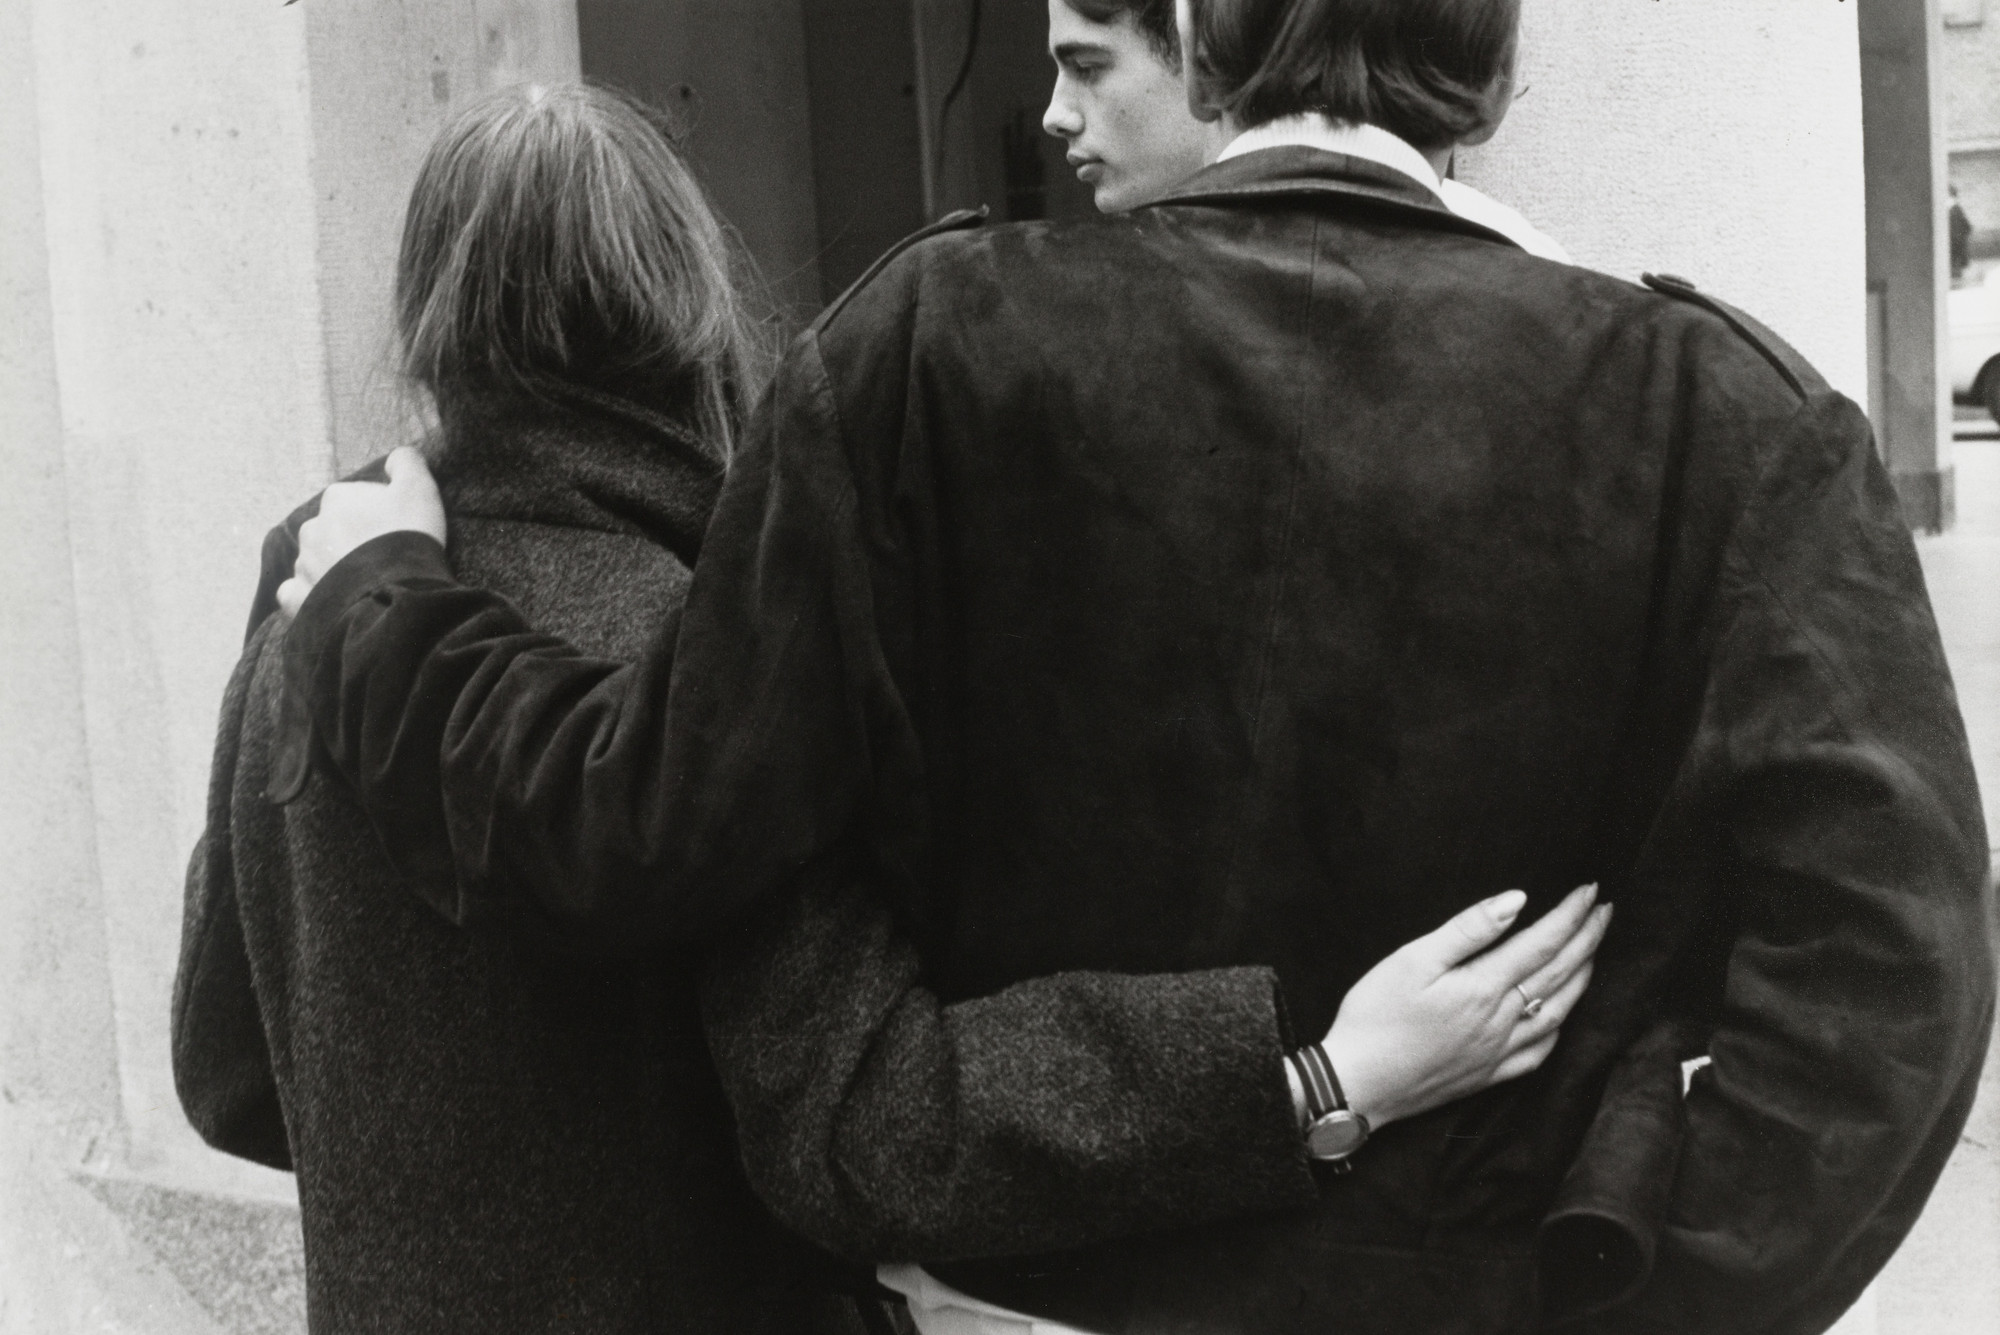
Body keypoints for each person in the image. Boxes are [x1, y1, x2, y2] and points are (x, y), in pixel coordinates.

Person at [271, 1, 1994, 1331]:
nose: (1048, 107)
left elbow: (633, 822)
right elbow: (1895, 986)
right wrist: (1627, 1285)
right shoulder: (1734, 420)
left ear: (1219, 30)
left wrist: (376, 603)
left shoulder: (930, 352)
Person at [176, 81, 1609, 1334]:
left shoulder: (319, 596)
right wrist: (1310, 1073)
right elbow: (876, 1128)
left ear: (429, 319)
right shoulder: (712, 642)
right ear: (688, 305)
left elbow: (229, 1074)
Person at [1041, 0, 1570, 263]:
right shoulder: (1565, 299)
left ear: (1195, 49)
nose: (1055, 114)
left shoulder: (1045, 304)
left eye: (1089, 66)